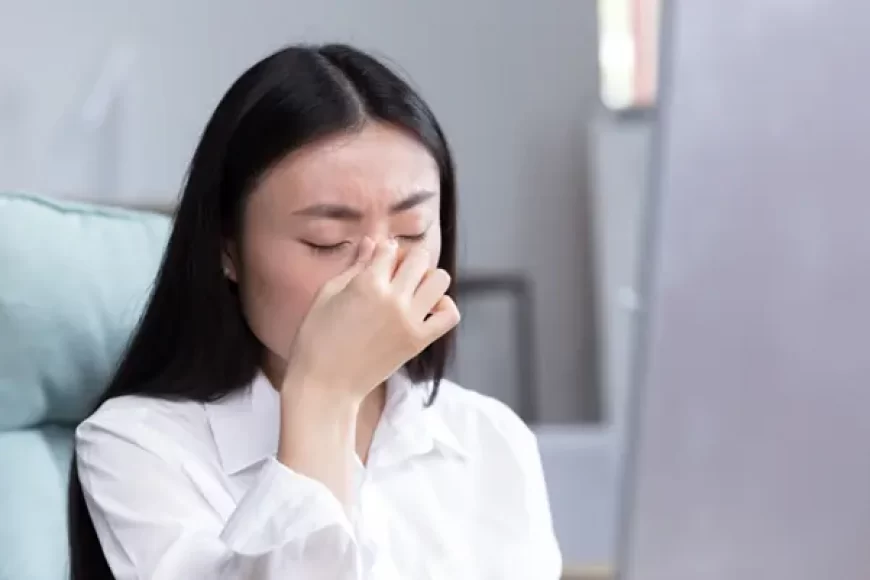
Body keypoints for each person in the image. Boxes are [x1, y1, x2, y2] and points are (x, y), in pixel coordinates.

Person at [67, 43, 562, 579]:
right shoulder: (139, 446)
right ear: (227, 249)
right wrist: (324, 397)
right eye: (327, 242)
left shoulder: (490, 439)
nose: (377, 276)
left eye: (411, 232)